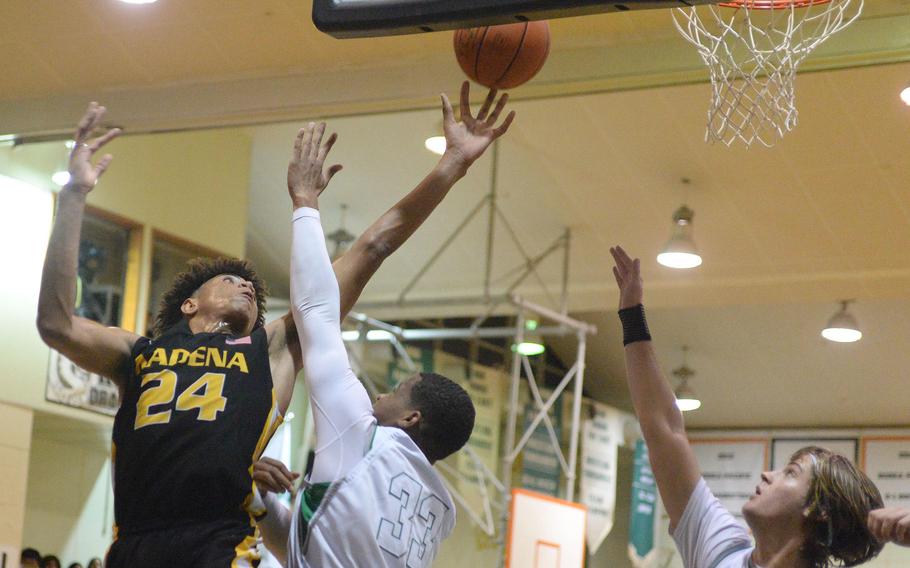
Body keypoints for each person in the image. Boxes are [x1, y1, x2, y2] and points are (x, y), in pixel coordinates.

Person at [35, 82, 513, 568]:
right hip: (137, 541)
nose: (246, 286)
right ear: (189, 304)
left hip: (219, 543)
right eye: (230, 279)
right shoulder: (137, 354)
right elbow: (56, 324)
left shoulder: (271, 349)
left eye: (252, 287)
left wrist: (451, 165)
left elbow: (373, 246)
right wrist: (73, 195)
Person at [250, 105, 509, 565]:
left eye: (395, 391)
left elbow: (315, 311)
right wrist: (254, 496)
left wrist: (305, 202)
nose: (380, 395)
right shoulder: (433, 511)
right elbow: (307, 547)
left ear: (410, 419)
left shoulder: (365, 440)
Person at [609, 245, 885, 568]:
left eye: (790, 473)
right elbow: (664, 428)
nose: (768, 474)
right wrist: (631, 317)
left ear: (817, 511)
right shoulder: (720, 548)